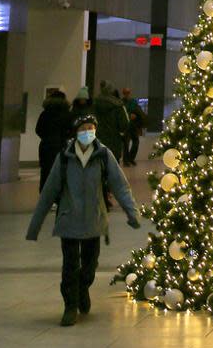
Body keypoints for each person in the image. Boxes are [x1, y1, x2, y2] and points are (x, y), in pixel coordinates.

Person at [26, 111, 141, 325]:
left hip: (94, 220)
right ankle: (70, 305)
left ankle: (82, 288)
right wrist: (35, 226)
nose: (87, 132)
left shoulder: (103, 155)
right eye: (83, 129)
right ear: (76, 132)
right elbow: (49, 192)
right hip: (69, 219)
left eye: (91, 128)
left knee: (89, 266)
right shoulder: (65, 157)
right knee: (70, 266)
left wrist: (131, 212)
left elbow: (120, 186)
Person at [34, 88, 71, 190]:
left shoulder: (45, 113)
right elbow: (70, 130)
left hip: (46, 146)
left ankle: (44, 194)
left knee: (45, 171)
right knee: (60, 171)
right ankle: (58, 196)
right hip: (61, 145)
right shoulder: (66, 114)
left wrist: (46, 137)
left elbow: (38, 130)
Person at [93, 80, 130, 160]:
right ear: (111, 90)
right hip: (114, 141)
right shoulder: (118, 105)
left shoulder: (94, 103)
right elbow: (124, 124)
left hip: (97, 140)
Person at [121, 87, 146, 166]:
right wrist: (129, 115)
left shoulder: (133, 102)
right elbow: (121, 113)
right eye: (125, 93)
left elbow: (138, 111)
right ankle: (126, 160)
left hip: (134, 125)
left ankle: (131, 158)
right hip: (126, 125)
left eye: (128, 93)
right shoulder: (121, 103)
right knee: (126, 144)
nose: (127, 95)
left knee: (136, 142)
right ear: (123, 94)